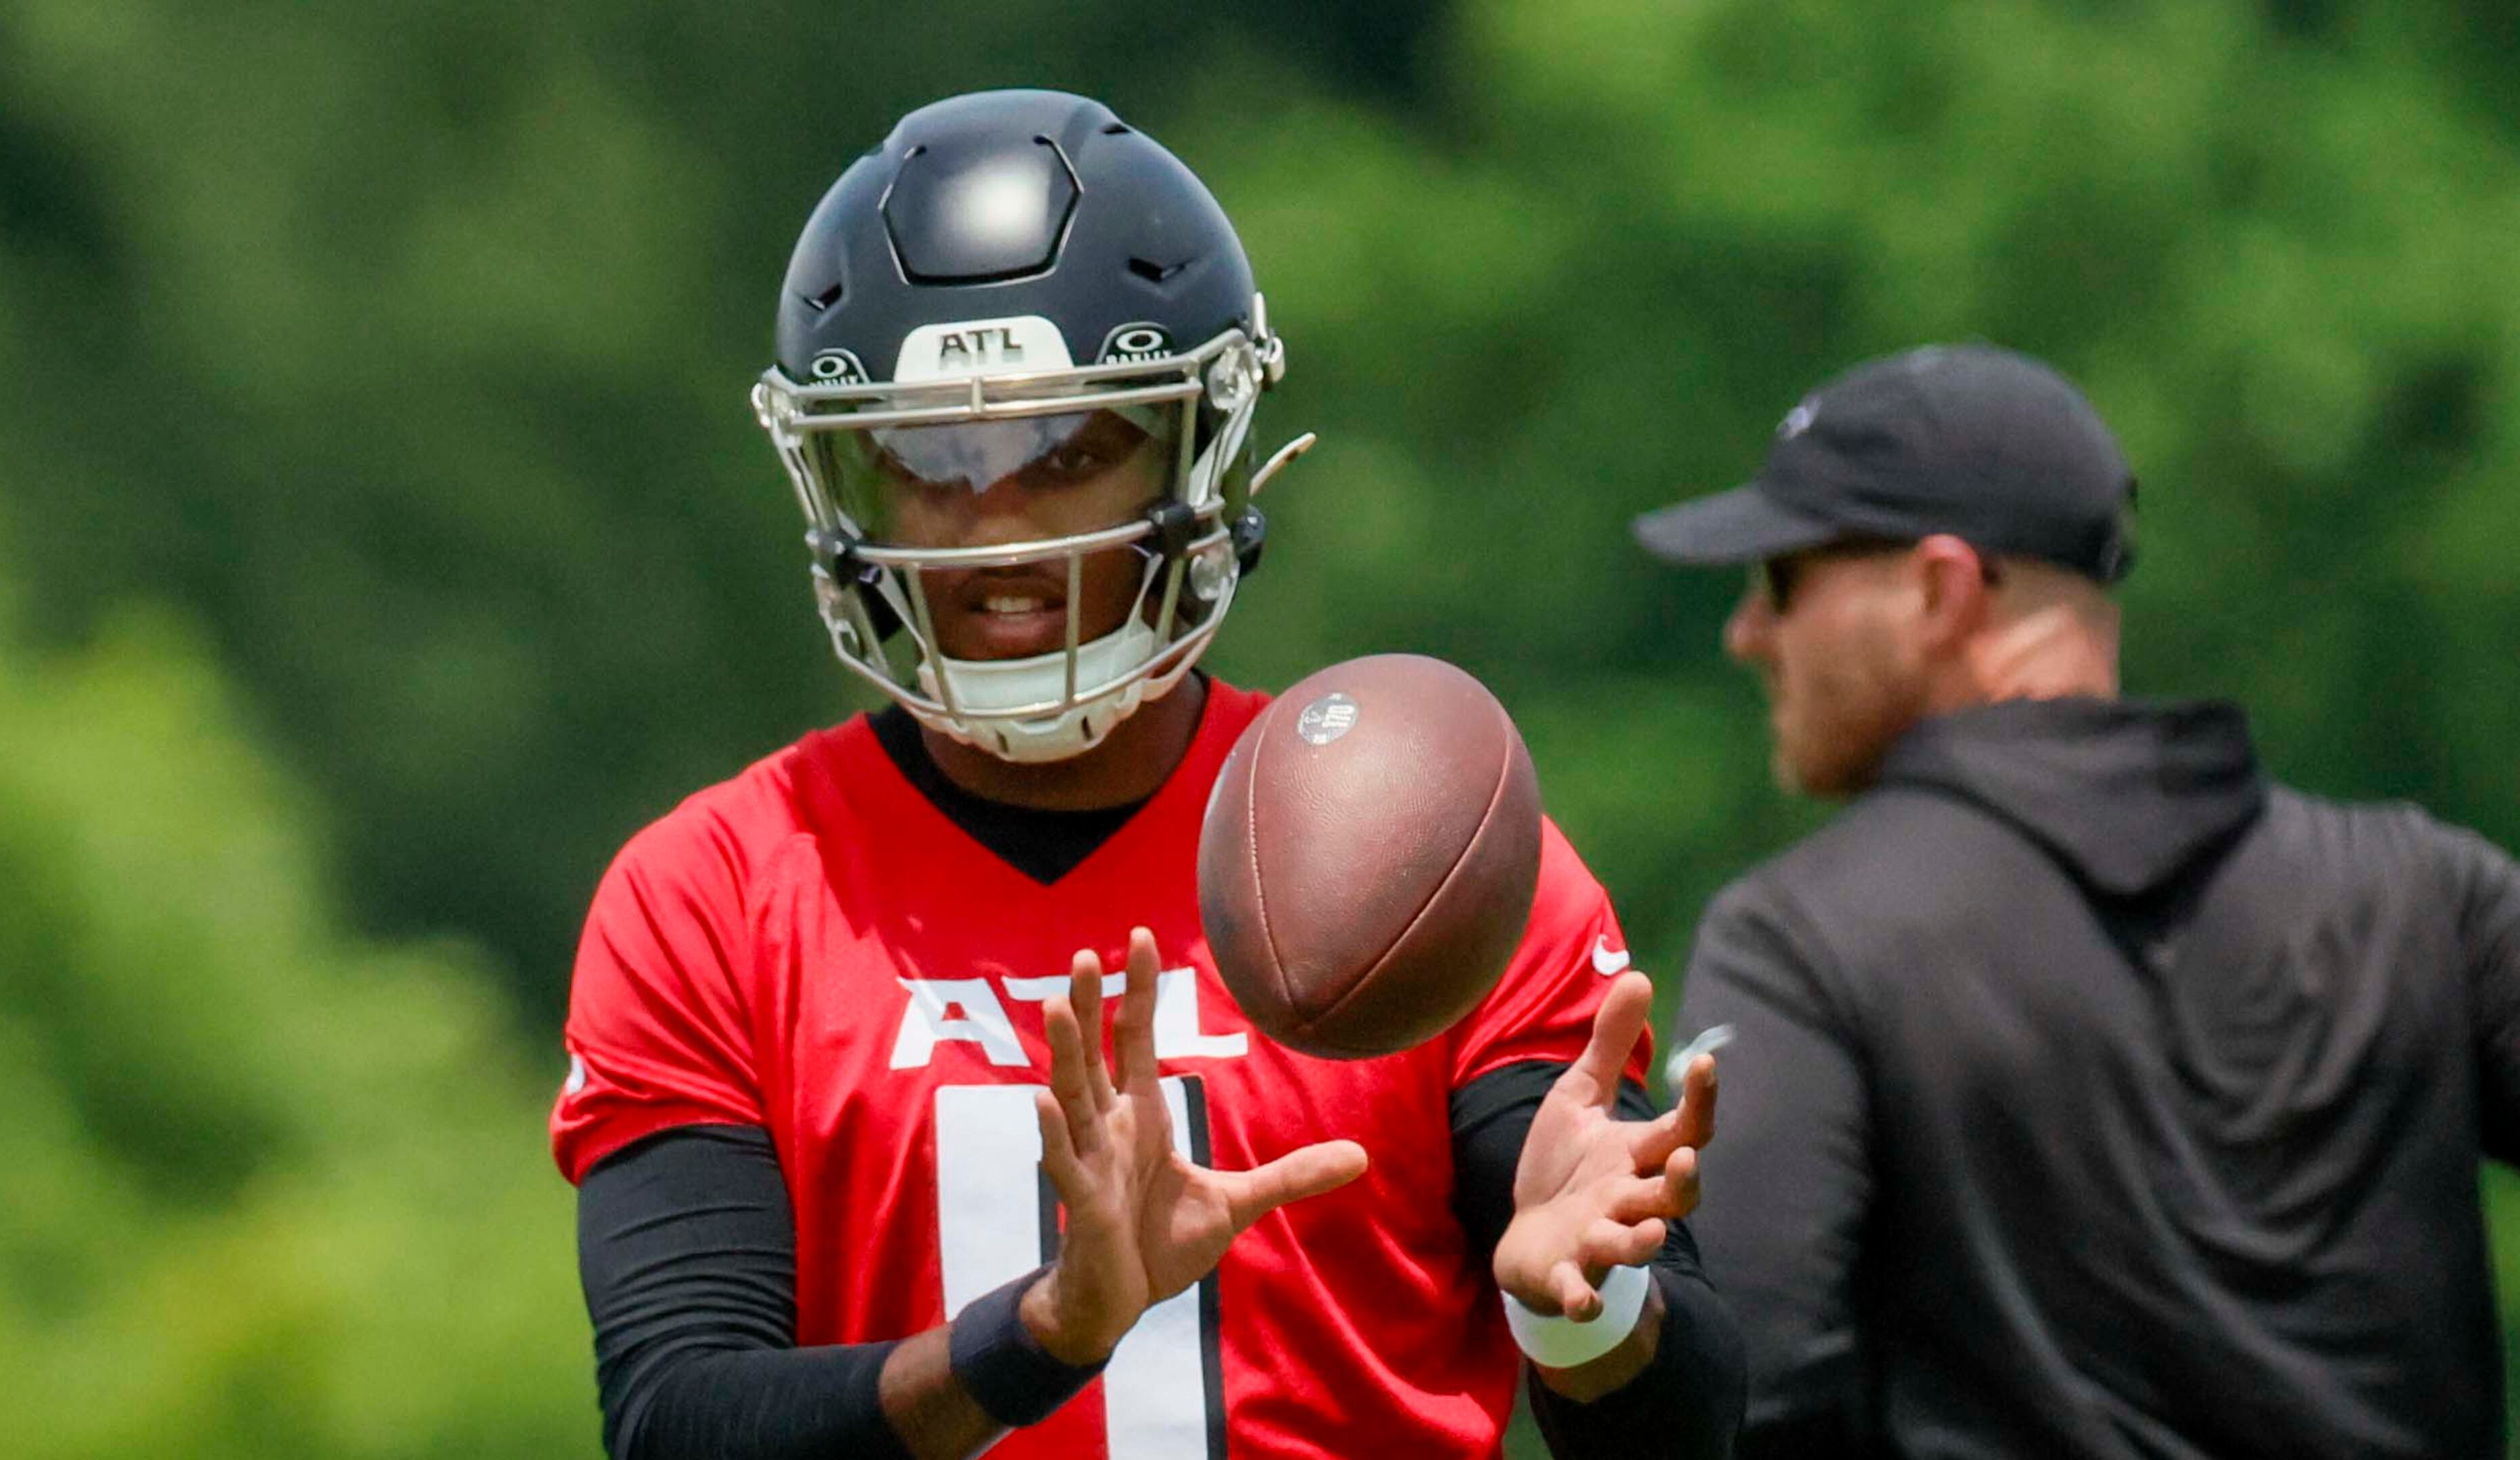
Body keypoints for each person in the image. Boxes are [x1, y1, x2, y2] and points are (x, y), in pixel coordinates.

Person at [549, 89, 1742, 1460]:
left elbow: (1688, 1431)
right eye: (929, 453)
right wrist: (1040, 1335)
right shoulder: (712, 896)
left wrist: (1587, 1307)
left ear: (1198, 456)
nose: (994, 527)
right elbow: (676, 1424)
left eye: (1068, 450)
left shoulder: (1412, 847)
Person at [1629, 340, 2520, 1459]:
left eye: (1783, 581)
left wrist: (1581, 1327)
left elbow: (1741, 1403)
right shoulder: (2420, 890)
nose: (1747, 632)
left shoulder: (1799, 941)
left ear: (1942, 589)